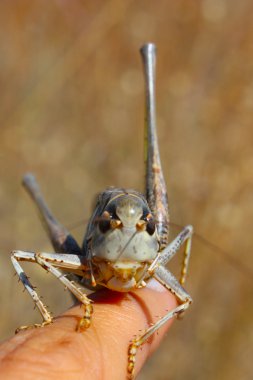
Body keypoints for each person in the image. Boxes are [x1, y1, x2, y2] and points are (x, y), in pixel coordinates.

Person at [0, 279, 176, 379]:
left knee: (184, 299)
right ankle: (47, 316)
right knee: (28, 254)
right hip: (93, 267)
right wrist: (84, 302)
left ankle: (137, 341)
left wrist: (137, 342)